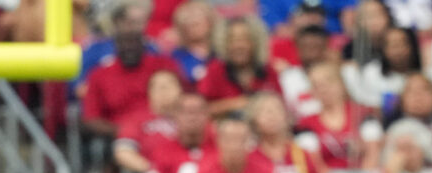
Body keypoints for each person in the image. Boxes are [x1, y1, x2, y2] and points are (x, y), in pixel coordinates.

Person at [81, 3, 182, 140]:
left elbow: (185, 99)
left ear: (143, 45)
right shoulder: (100, 75)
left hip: (168, 129)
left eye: (134, 43)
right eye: (124, 44)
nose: (129, 48)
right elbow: (91, 119)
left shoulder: (163, 64)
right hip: (123, 135)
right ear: (116, 46)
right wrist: (124, 131)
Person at [297, 61, 382, 169]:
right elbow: (314, 164)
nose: (323, 89)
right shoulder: (306, 124)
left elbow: (373, 154)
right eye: (316, 85)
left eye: (328, 82)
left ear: (341, 83)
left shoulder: (363, 113)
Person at [198, 15, 282, 118]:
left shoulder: (268, 71)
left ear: (256, 42)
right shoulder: (215, 70)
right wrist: (237, 104)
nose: (239, 46)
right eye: (232, 40)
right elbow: (201, 110)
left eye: (245, 39)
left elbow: (281, 106)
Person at [248, 91, 323, 173]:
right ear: (254, 121)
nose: (271, 115)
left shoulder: (302, 155)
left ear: (286, 116)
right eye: (264, 111)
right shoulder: (249, 159)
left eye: (276, 109)